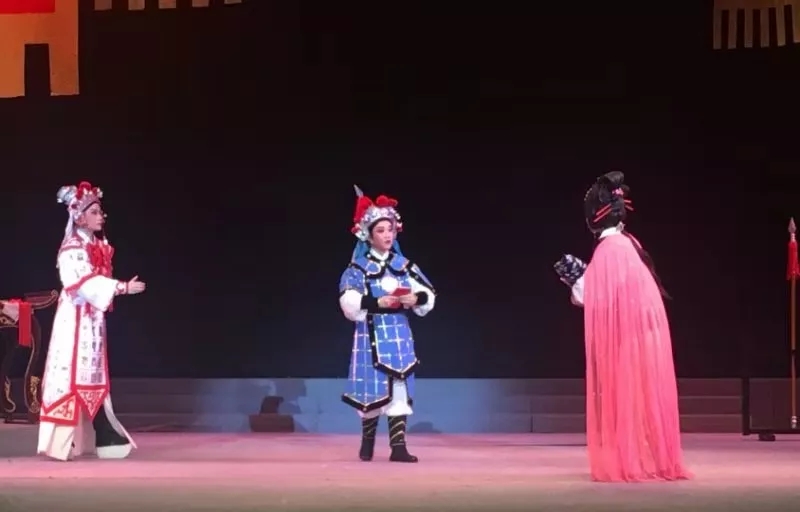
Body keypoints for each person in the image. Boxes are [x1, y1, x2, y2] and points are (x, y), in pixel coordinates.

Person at [556, 171, 691, 483]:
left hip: (633, 335)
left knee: (628, 396)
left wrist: (575, 279)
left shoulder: (610, 249)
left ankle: (631, 461)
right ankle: (653, 459)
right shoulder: (630, 243)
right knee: (646, 395)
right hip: (650, 330)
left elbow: (592, 296)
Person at [37, 181, 146, 461]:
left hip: (90, 319)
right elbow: (83, 283)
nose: (101, 217)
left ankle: (99, 435)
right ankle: (66, 442)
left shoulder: (95, 245)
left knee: (91, 374)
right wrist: (121, 287)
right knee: (70, 374)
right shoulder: (72, 248)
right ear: (80, 217)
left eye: (100, 212)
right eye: (94, 212)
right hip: (74, 320)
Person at [338, 185, 436, 463]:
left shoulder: (404, 265)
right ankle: (367, 441)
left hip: (399, 335)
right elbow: (348, 301)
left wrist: (415, 298)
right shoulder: (358, 268)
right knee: (371, 389)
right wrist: (377, 302)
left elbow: (428, 294)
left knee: (400, 388)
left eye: (390, 229)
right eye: (381, 230)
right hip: (370, 335)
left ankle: (398, 446)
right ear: (369, 235)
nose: (387, 235)